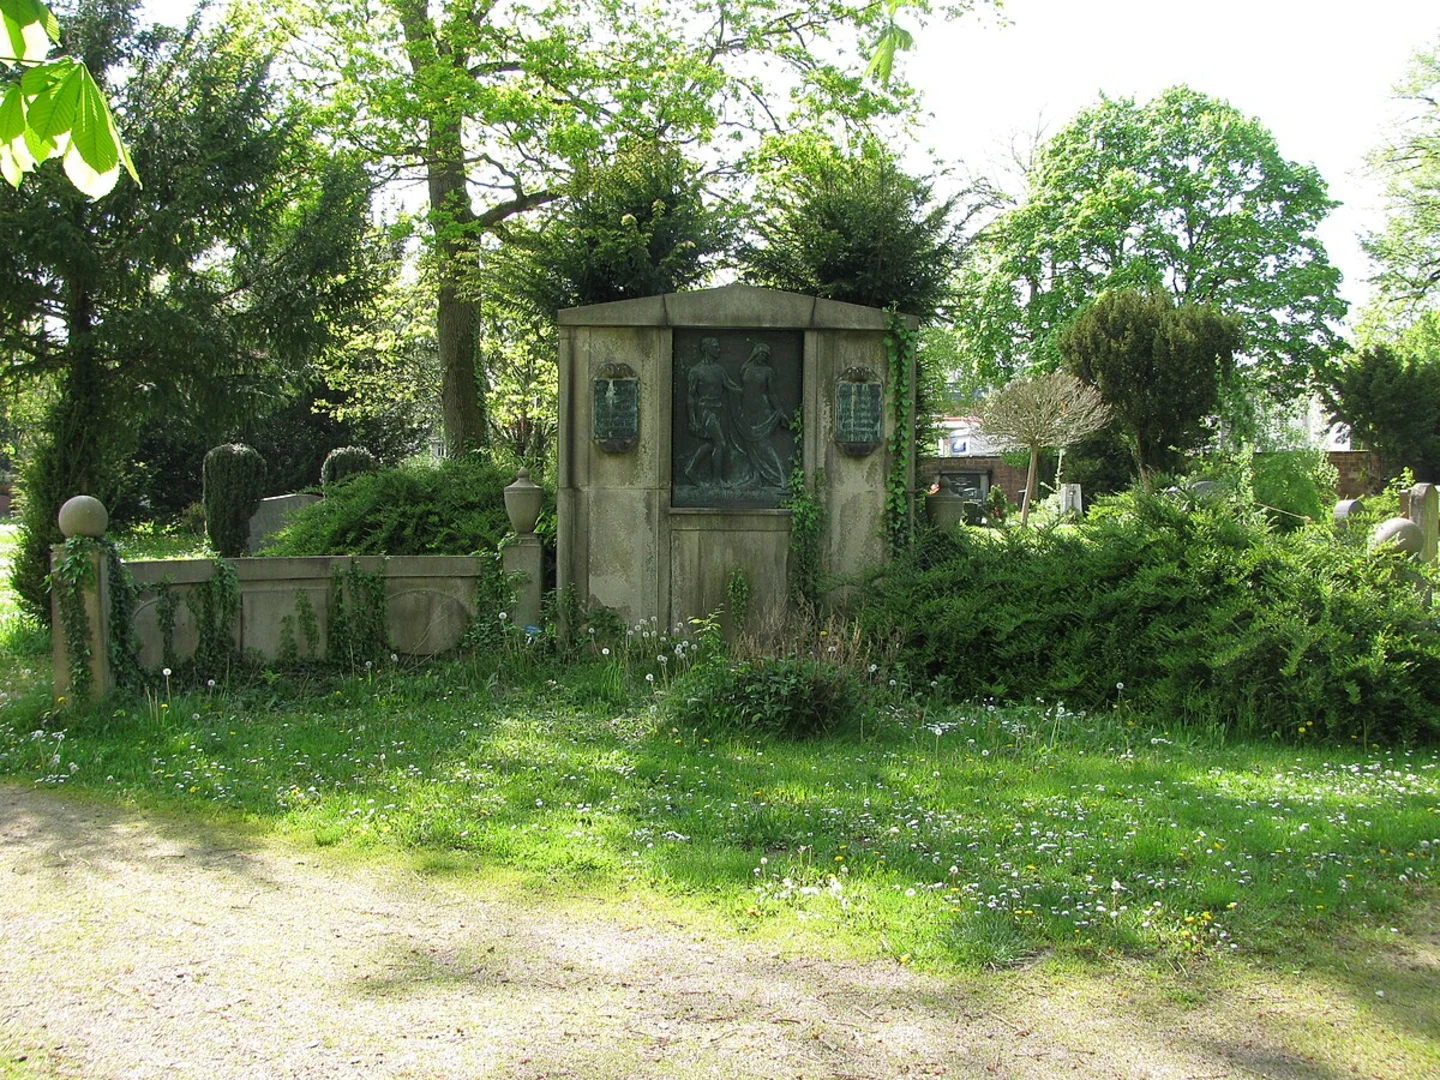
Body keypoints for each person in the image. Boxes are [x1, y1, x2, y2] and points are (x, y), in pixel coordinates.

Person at [730, 342, 788, 489]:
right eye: (761, 354)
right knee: (750, 445)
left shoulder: (768, 371)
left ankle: (782, 477)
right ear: (755, 354)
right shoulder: (745, 369)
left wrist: (780, 411)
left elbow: (772, 393)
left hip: (763, 410)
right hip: (747, 409)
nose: (763, 357)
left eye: (765, 355)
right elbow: (741, 389)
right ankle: (756, 478)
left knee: (764, 444)